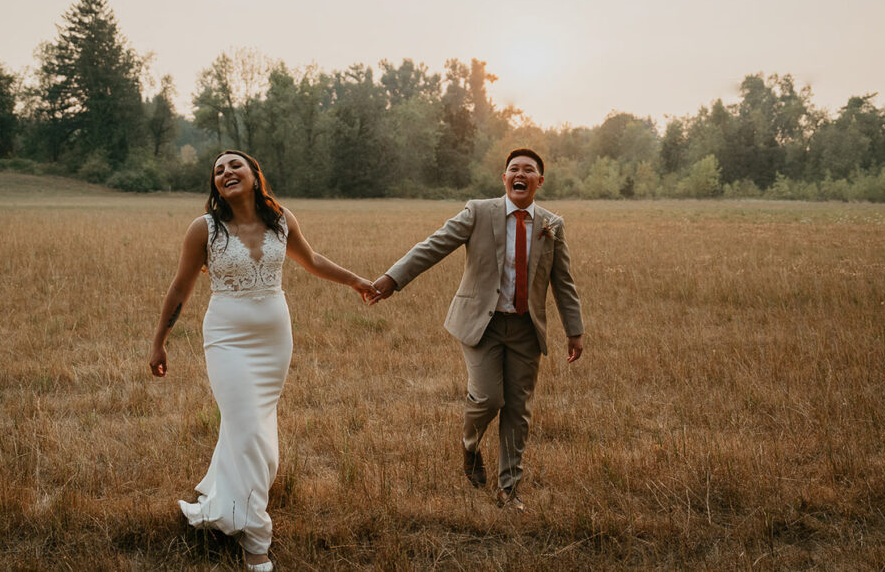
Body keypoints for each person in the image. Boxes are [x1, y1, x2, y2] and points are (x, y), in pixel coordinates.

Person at [149, 150, 375, 571]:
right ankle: (256, 543)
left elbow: (311, 260)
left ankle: (223, 503)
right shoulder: (205, 229)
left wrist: (355, 280)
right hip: (226, 337)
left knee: (256, 428)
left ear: (254, 174)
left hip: (274, 338)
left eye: (234, 165)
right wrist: (159, 341)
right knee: (247, 427)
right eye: (218, 170)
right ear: (215, 185)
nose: (226, 172)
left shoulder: (281, 220)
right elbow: (180, 288)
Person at [368, 148, 583, 511]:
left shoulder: (551, 225)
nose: (521, 174)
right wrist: (393, 278)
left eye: (529, 170)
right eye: (514, 169)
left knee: (518, 409)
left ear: (539, 182)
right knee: (488, 399)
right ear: (504, 179)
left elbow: (563, 281)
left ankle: (508, 490)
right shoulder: (479, 212)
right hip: (481, 324)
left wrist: (574, 330)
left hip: (526, 329)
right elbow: (434, 245)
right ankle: (470, 445)